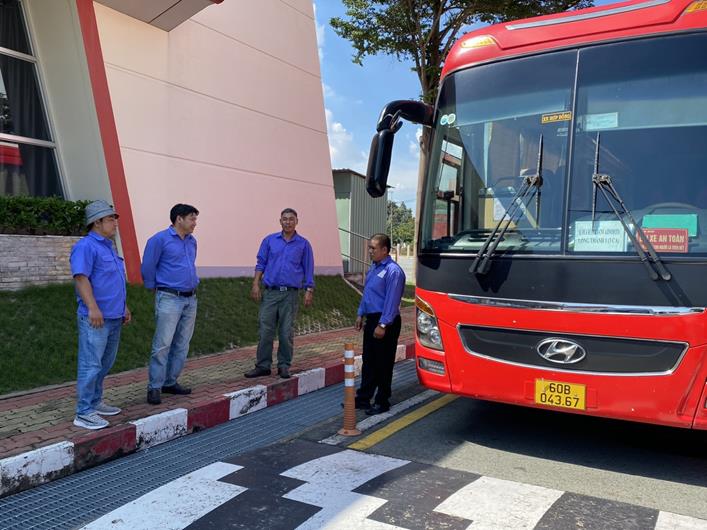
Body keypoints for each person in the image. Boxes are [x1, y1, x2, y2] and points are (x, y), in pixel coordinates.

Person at [70, 200, 131, 430]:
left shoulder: (108, 246)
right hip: (96, 317)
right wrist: (93, 307)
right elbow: (81, 278)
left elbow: (112, 280)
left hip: (114, 316)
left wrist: (124, 307)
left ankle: (95, 402)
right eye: (111, 219)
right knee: (91, 365)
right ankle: (84, 412)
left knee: (105, 363)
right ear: (97, 222)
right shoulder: (86, 246)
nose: (115, 223)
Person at [245, 208, 314, 379]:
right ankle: (263, 366)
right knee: (265, 331)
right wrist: (255, 284)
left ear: (296, 221)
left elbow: (308, 268)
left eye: (291, 219)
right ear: (280, 221)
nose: (288, 222)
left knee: (285, 332)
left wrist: (309, 290)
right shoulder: (269, 240)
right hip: (270, 294)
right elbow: (261, 263)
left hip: (290, 295)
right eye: (285, 219)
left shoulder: (303, 244)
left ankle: (284, 365)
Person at [142, 204, 199, 405]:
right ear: (179, 219)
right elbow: (148, 266)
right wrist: (153, 287)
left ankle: (170, 381)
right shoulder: (159, 239)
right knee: (163, 344)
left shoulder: (192, 241)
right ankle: (154, 387)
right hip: (169, 298)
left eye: (195, 219)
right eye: (192, 218)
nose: (195, 223)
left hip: (190, 299)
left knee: (182, 343)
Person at [355, 234, 406, 415]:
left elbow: (392, 301)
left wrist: (383, 325)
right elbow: (367, 294)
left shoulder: (394, 271)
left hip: (386, 321)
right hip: (372, 319)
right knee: (369, 360)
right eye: (369, 247)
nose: (370, 251)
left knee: (383, 363)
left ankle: (382, 401)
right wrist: (360, 314)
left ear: (384, 250)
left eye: (373, 248)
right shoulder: (374, 268)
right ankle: (363, 398)